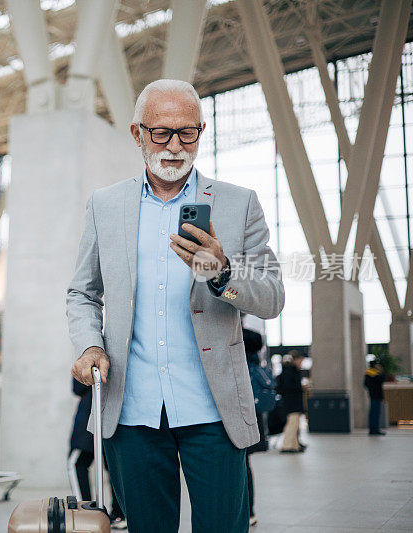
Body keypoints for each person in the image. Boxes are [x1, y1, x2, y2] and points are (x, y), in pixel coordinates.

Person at [66, 79, 284, 533]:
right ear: (137, 134)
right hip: (132, 409)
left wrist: (223, 272)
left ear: (201, 132)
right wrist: (89, 345)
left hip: (215, 408)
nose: (174, 146)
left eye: (187, 133)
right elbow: (83, 292)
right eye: (161, 132)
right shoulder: (105, 206)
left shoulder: (238, 204)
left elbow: (272, 296)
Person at [68, 379, 127, 529]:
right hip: (116, 409)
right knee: (114, 463)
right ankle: (120, 514)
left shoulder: (90, 355)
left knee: (77, 463)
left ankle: (86, 515)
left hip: (93, 409)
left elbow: (78, 387)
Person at [243, 328, 274, 527]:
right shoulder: (253, 341)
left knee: (240, 465)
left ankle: (246, 510)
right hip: (253, 414)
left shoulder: (238, 335)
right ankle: (250, 510)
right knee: (245, 465)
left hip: (239, 411)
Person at [276, 351, 305, 453]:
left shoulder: (290, 370)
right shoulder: (290, 371)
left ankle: (294, 445)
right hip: (292, 402)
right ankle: (287, 445)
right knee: (292, 424)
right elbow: (289, 387)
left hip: (292, 402)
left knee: (295, 424)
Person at [364, 359, 386, 436]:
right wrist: (381, 371)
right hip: (376, 396)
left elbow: (366, 384)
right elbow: (382, 380)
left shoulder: (368, 373)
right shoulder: (375, 374)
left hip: (373, 396)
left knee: (373, 413)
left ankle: (373, 429)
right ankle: (374, 429)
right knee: (375, 413)